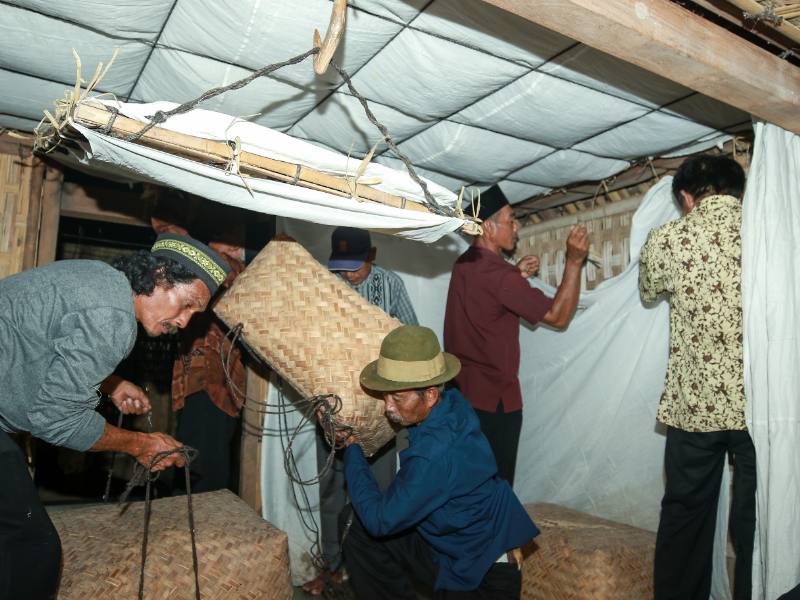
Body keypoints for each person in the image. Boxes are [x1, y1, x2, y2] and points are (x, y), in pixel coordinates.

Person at [0, 232, 231, 600]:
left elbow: (46, 345)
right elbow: (56, 419)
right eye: (186, 304)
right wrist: (141, 445)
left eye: (194, 314)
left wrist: (112, 383)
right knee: (31, 549)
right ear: (159, 275)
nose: (185, 322)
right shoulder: (114, 318)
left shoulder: (100, 279)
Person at [333, 325, 539, 599]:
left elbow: (379, 521)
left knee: (369, 520)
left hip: (481, 577)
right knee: (352, 521)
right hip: (448, 546)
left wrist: (351, 449)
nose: (388, 407)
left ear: (429, 394)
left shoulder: (433, 458)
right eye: (385, 396)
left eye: (397, 397)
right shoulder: (453, 402)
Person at [639, 154, 753, 600]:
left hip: (694, 405)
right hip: (759, 405)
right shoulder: (766, 229)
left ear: (686, 197)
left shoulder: (668, 238)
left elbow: (650, 290)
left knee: (685, 518)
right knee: (755, 523)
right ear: (737, 191)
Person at [444, 184, 589, 486]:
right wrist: (574, 261)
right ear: (488, 226)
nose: (516, 226)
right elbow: (559, 317)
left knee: (468, 486)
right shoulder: (502, 277)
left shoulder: (463, 266)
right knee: (496, 490)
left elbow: (487, 302)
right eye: (511, 219)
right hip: (495, 404)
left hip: (461, 399)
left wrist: (514, 274)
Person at [304, 226, 419, 594]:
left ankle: (376, 572)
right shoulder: (324, 282)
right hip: (331, 406)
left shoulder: (391, 286)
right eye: (342, 266)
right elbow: (308, 348)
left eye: (356, 265)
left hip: (378, 410)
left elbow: (411, 339)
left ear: (372, 254)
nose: (349, 274)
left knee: (379, 493)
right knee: (332, 491)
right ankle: (332, 568)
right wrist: (318, 402)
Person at [152, 215, 271, 495]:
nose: (235, 245)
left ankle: (201, 529)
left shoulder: (232, 267)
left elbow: (171, 229)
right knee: (199, 464)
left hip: (216, 383)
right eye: (231, 236)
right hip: (205, 380)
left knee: (204, 465)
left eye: (239, 239)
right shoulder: (216, 262)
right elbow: (173, 233)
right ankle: (194, 528)